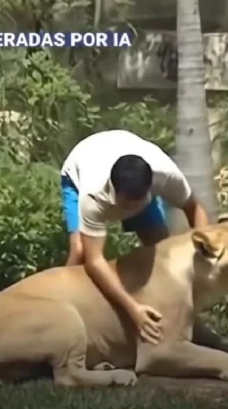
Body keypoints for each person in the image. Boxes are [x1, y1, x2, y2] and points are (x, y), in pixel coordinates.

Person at [59, 129, 211, 345]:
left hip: (127, 154)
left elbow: (194, 207)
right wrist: (133, 309)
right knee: (81, 251)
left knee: (160, 249)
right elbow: (95, 261)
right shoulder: (93, 194)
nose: (130, 209)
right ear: (114, 190)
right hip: (78, 168)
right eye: (126, 204)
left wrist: (205, 253)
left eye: (136, 203)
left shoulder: (166, 175)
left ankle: (175, 317)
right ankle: (61, 304)